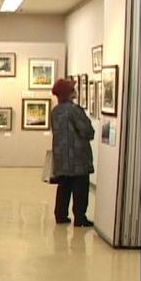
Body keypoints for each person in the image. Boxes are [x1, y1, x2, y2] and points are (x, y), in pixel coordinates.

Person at [51, 78, 95, 227]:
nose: (75, 91)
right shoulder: (74, 110)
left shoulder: (55, 111)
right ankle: (80, 218)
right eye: (72, 89)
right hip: (77, 157)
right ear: (67, 93)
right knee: (80, 189)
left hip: (61, 157)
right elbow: (87, 131)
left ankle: (61, 215)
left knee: (63, 187)